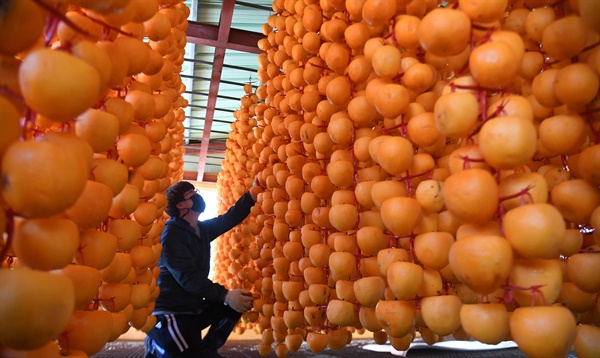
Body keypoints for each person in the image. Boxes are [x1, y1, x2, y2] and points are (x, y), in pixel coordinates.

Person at [145, 180, 261, 358]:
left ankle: (208, 347)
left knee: (239, 303)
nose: (197, 196)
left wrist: (251, 195)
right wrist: (225, 295)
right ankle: (159, 342)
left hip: (193, 308)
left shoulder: (200, 229)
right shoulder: (171, 235)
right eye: (192, 193)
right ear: (181, 205)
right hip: (171, 313)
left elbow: (228, 219)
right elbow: (188, 277)